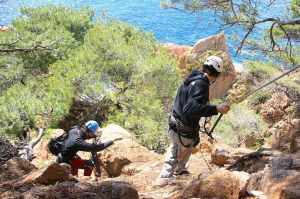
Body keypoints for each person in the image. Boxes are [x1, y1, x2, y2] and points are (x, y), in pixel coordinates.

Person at [157, 56, 230, 180]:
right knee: (174, 155)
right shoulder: (202, 84)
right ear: (216, 74)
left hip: (174, 125)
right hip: (183, 131)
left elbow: (188, 103)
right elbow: (190, 108)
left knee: (176, 150)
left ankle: (178, 172)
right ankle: (164, 181)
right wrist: (216, 109)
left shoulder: (192, 78)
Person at [57, 120, 123, 177]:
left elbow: (84, 135)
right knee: (89, 164)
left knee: (77, 158)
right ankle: (85, 178)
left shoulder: (75, 129)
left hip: (61, 155)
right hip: (65, 162)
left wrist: (95, 135)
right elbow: (97, 148)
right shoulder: (79, 142)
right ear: (90, 132)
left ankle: (74, 175)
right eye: (93, 133)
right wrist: (112, 141)